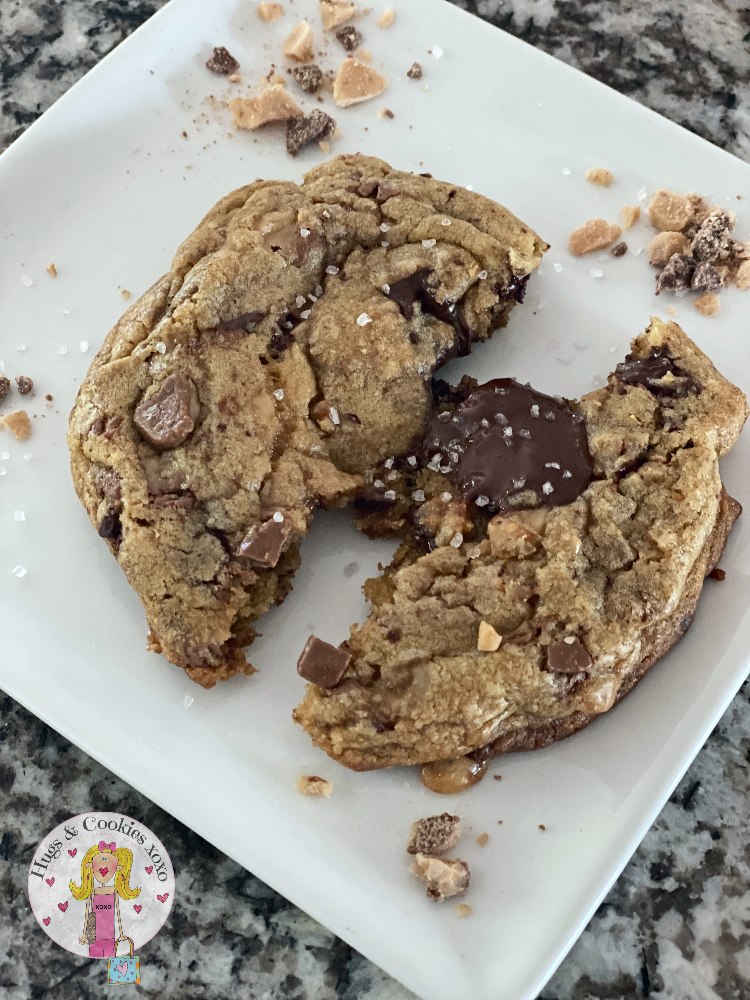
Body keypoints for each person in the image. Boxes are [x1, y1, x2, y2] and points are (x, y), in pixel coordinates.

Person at [70, 840, 140, 958]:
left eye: (109, 868)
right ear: (90, 867)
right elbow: (87, 912)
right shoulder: (92, 891)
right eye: (98, 868)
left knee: (110, 956)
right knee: (95, 953)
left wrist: (121, 933)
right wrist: (84, 934)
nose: (103, 871)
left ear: (116, 869)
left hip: (109, 932)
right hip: (95, 931)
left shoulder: (113, 891)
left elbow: (117, 913)